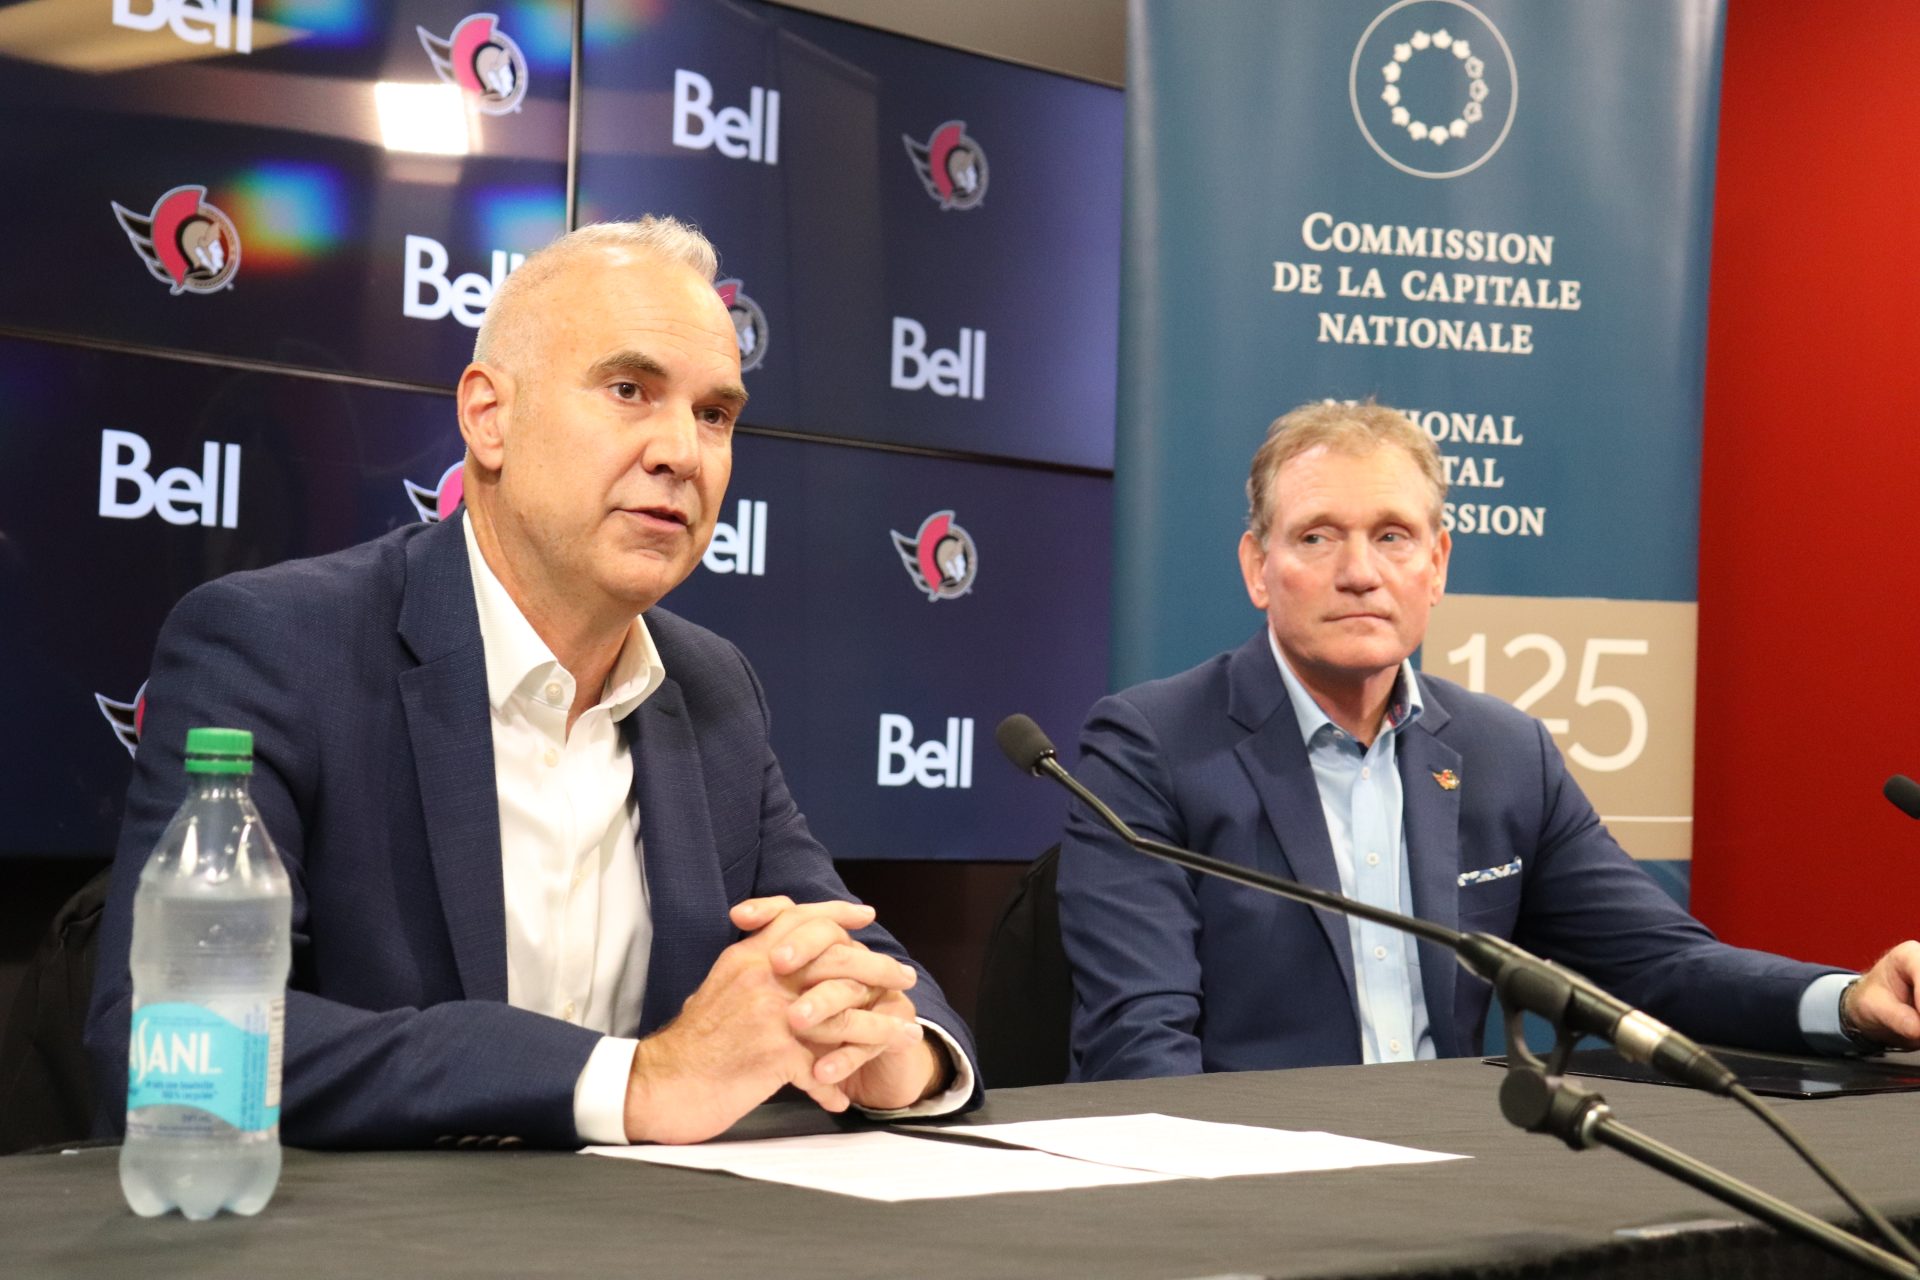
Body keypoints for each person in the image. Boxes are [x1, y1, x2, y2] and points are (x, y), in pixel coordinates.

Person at [86, 218, 978, 1147]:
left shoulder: (712, 685)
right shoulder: (275, 645)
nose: (682, 452)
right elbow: (175, 1035)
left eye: (715, 415)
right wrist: (636, 1084)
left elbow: (845, 950)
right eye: (630, 391)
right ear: (489, 417)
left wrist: (889, 1050)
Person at [1058, 399, 1920, 1081]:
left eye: (1392, 537)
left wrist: (1851, 1001)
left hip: (1456, 1183)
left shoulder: (1506, 754)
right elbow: (1139, 1040)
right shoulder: (1151, 746)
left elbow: (1661, 966)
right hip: (1247, 1185)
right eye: (1317, 537)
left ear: (1436, 565)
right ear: (1257, 567)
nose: (1359, 572)